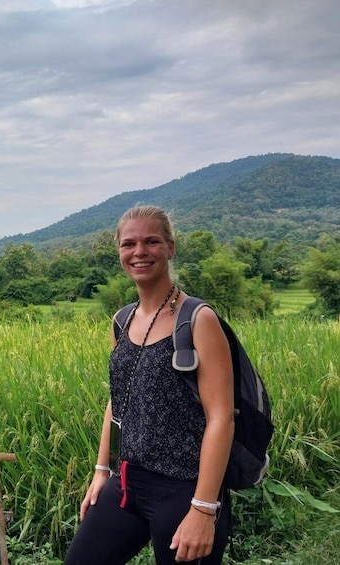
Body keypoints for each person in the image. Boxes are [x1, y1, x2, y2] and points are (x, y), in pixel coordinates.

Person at [64, 205, 235, 564]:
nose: (139, 252)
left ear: (170, 248)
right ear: (119, 252)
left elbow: (221, 418)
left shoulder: (198, 320)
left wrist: (204, 509)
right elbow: (119, 400)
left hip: (185, 489)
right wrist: (102, 470)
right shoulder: (122, 321)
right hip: (127, 483)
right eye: (129, 244)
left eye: (151, 241)